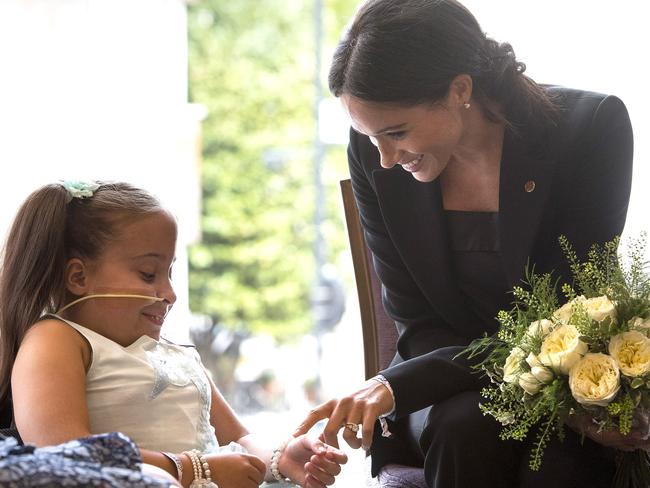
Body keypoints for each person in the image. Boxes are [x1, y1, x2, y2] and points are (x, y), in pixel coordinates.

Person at [294, 1, 636, 487]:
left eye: (396, 133)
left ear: (459, 90)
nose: (385, 160)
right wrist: (403, 385)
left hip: (563, 368)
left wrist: (394, 386)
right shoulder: (374, 158)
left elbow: (563, 314)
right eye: (370, 139)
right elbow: (414, 317)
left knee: (563, 453)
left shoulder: (589, 129)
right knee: (462, 428)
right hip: (438, 384)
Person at [0, 180, 347, 488]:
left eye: (169, 273)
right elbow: (62, 452)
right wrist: (192, 469)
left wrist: (280, 458)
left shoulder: (175, 353)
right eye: (148, 274)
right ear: (78, 277)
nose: (169, 293)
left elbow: (239, 437)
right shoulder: (57, 339)